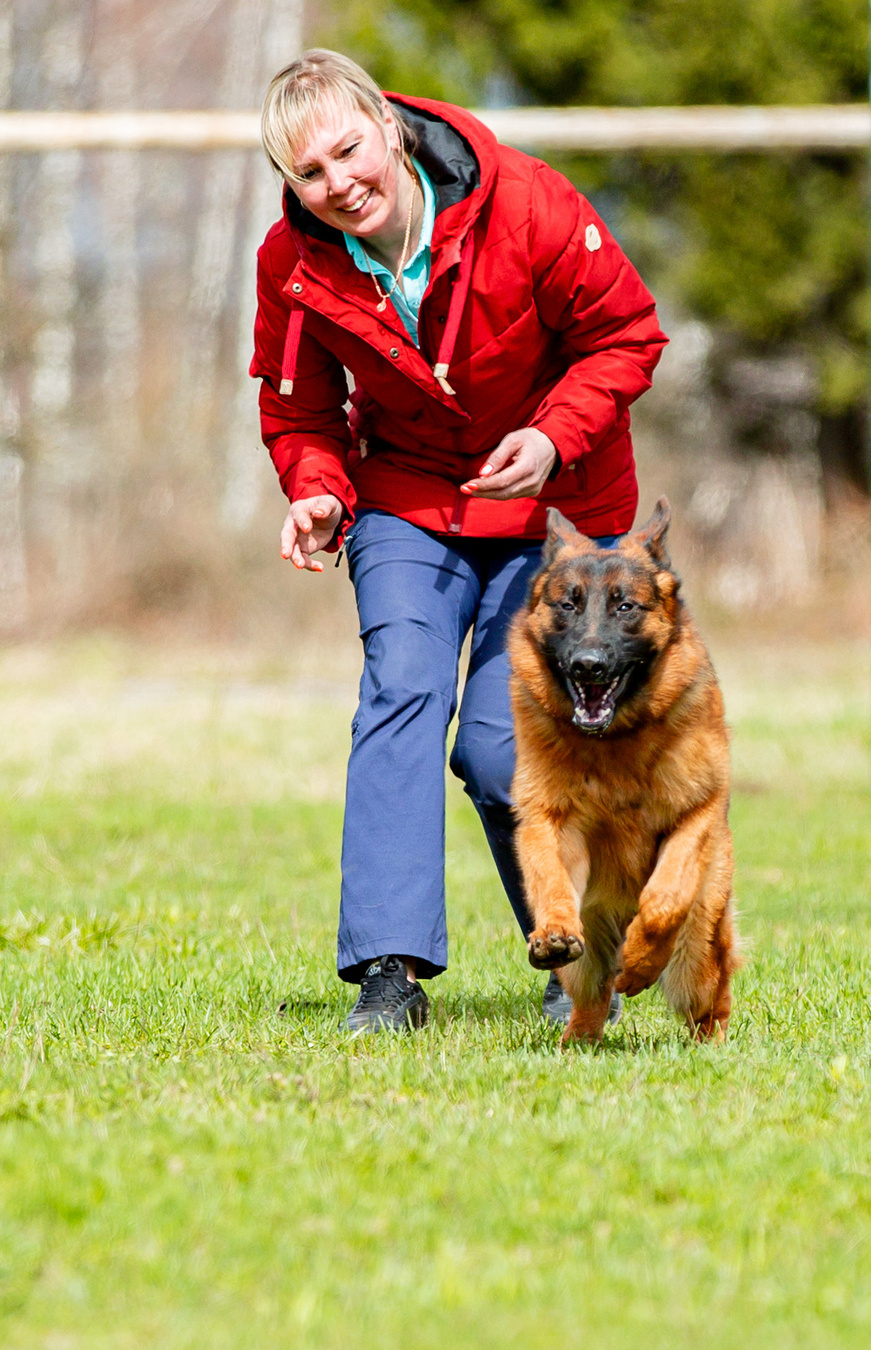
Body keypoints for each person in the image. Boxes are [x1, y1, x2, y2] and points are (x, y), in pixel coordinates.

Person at [250, 50, 666, 1034]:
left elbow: (629, 336)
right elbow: (298, 409)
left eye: (349, 151)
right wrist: (314, 490)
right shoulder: (294, 266)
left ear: (389, 128)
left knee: (497, 747)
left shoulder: (528, 203)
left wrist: (552, 435)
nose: (338, 183)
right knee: (399, 690)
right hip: (407, 503)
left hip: (554, 512)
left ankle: (570, 948)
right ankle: (387, 977)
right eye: (310, 173)